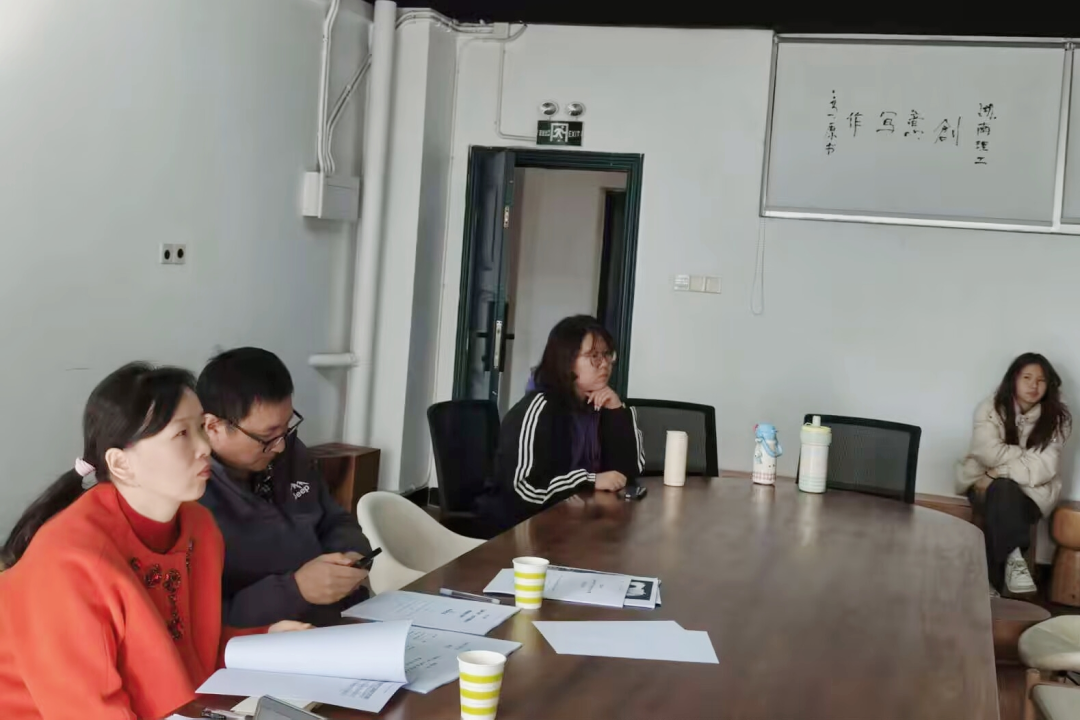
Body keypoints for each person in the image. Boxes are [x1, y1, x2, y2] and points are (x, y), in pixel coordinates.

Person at [0, 363, 308, 720]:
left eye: (201, 428)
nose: (204, 447)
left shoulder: (198, 528)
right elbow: (84, 708)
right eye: (181, 434)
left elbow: (186, 647)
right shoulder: (69, 561)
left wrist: (266, 637)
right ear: (121, 464)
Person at [197, 347, 373, 628]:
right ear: (213, 426)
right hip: (273, 637)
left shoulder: (289, 452)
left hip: (342, 617)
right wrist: (296, 589)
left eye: (287, 427)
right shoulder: (192, 493)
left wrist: (350, 556)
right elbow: (205, 618)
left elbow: (335, 520)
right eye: (266, 436)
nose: (280, 446)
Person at [476, 315, 644, 537]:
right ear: (567, 360)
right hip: (518, 533)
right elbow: (522, 489)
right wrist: (589, 480)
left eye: (607, 355)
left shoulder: (600, 403)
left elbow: (630, 472)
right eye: (594, 356)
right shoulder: (539, 408)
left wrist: (616, 412)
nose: (604, 364)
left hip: (572, 522)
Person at [957, 352, 1072, 596]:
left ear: (1049, 384)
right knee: (1002, 491)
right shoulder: (990, 408)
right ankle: (1013, 557)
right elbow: (987, 452)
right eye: (1026, 377)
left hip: (1031, 494)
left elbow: (1045, 466)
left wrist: (997, 472)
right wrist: (1026, 456)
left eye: (1041, 380)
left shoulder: (1057, 418)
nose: (1033, 385)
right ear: (1014, 379)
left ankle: (987, 585)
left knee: (1003, 493)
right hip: (983, 485)